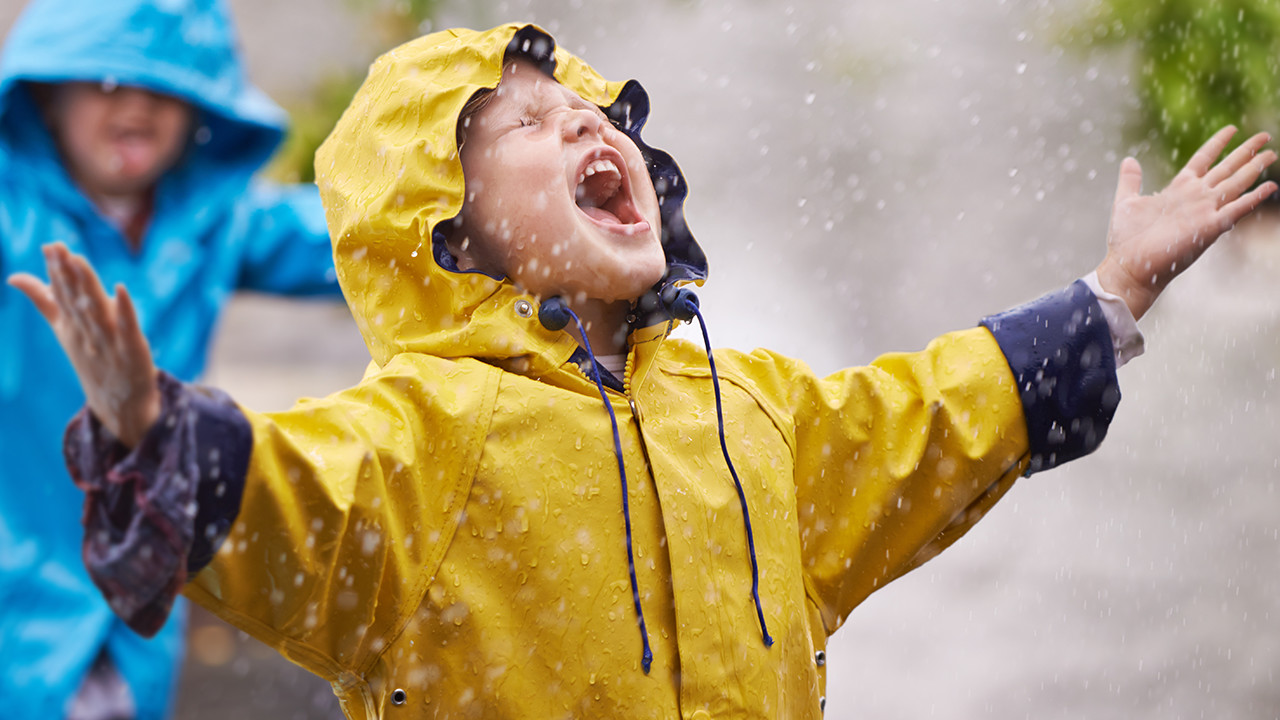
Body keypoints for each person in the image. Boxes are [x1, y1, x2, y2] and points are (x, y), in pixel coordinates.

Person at [10, 23, 1276, 719]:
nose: (580, 120)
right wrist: (147, 428)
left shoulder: (747, 407)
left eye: (590, 111)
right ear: (444, 235)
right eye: (517, 124)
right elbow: (292, 492)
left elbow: (923, 419)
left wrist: (1109, 298)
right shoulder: (426, 440)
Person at [0, 0, 345, 718]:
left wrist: (489, 222)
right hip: (15, 590)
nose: (135, 106)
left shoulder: (211, 221)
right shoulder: (11, 214)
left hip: (135, 601)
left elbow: (346, 239)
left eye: (163, 87)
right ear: (46, 95)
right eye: (102, 83)